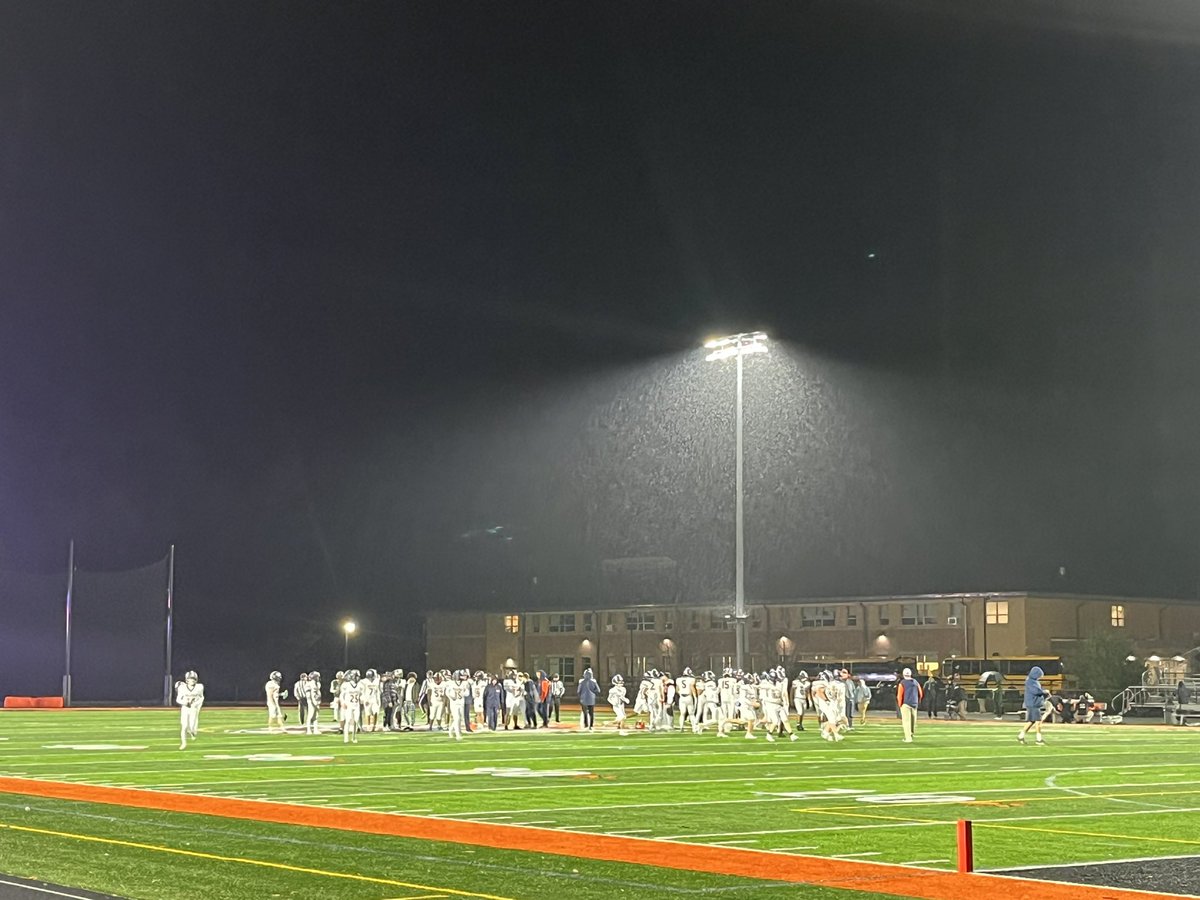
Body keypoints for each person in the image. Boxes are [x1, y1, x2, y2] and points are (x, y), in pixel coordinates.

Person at [1017, 665, 1049, 745]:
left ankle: (1021, 736)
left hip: (1034, 703)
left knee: (1031, 721)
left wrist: (1043, 691)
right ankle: (1039, 739)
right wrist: (1044, 692)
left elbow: (1038, 690)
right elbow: (1036, 691)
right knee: (1038, 721)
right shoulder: (1030, 682)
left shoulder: (1033, 682)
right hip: (1033, 704)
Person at [175, 670, 204, 750]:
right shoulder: (182, 688)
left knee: (192, 727)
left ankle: (193, 733)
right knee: (184, 726)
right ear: (187, 680)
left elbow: (201, 697)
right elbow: (178, 699)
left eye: (194, 679)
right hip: (185, 708)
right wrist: (184, 703)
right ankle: (183, 743)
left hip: (193, 708)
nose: (192, 681)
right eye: (190, 679)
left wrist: (195, 704)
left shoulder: (199, 687)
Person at [896, 667, 922, 743]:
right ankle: (911, 734)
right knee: (913, 721)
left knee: (906, 721)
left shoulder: (902, 683)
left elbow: (899, 695)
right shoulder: (915, 682)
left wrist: (900, 704)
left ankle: (908, 738)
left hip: (906, 703)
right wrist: (918, 701)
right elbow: (920, 693)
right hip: (914, 703)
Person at [338, 669, 362, 744]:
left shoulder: (360, 685)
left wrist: (362, 699)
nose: (358, 678)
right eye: (357, 676)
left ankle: (354, 737)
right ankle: (346, 738)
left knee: (355, 721)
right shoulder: (346, 685)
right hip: (349, 705)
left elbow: (361, 695)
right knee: (347, 721)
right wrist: (342, 702)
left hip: (356, 705)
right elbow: (341, 695)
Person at [577, 666, 600, 731]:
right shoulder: (593, 682)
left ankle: (586, 724)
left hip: (583, 699)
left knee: (585, 713)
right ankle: (591, 725)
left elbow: (578, 691)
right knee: (591, 713)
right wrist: (593, 692)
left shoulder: (581, 682)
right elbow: (598, 690)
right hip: (591, 699)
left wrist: (581, 695)